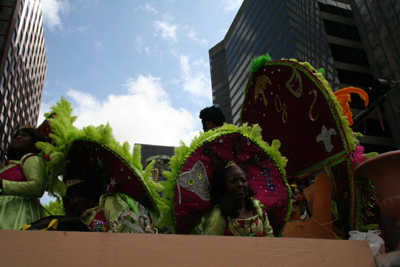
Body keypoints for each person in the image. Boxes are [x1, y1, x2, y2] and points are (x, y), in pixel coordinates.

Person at [197, 161, 274, 237]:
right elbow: (211, 245)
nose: (240, 184)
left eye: (243, 180)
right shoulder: (219, 214)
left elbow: (270, 238)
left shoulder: (256, 207)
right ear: (223, 186)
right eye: (233, 181)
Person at [0, 127, 48, 230]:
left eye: (24, 135)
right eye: (16, 136)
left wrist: (3, 184)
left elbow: (37, 187)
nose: (18, 137)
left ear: (35, 142)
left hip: (16, 212)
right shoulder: (6, 166)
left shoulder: (32, 158)